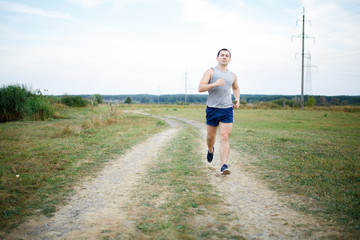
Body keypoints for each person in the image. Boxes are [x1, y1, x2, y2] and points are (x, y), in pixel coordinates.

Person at [198, 48, 240, 175]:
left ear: (230, 59)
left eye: (227, 55)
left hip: (227, 109)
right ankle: (210, 150)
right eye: (222, 55)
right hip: (212, 108)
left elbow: (236, 87)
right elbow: (200, 88)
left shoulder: (232, 75)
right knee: (211, 137)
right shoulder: (210, 71)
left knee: (225, 136)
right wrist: (214, 84)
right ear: (217, 58)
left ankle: (224, 165)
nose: (224, 57)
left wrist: (237, 99)